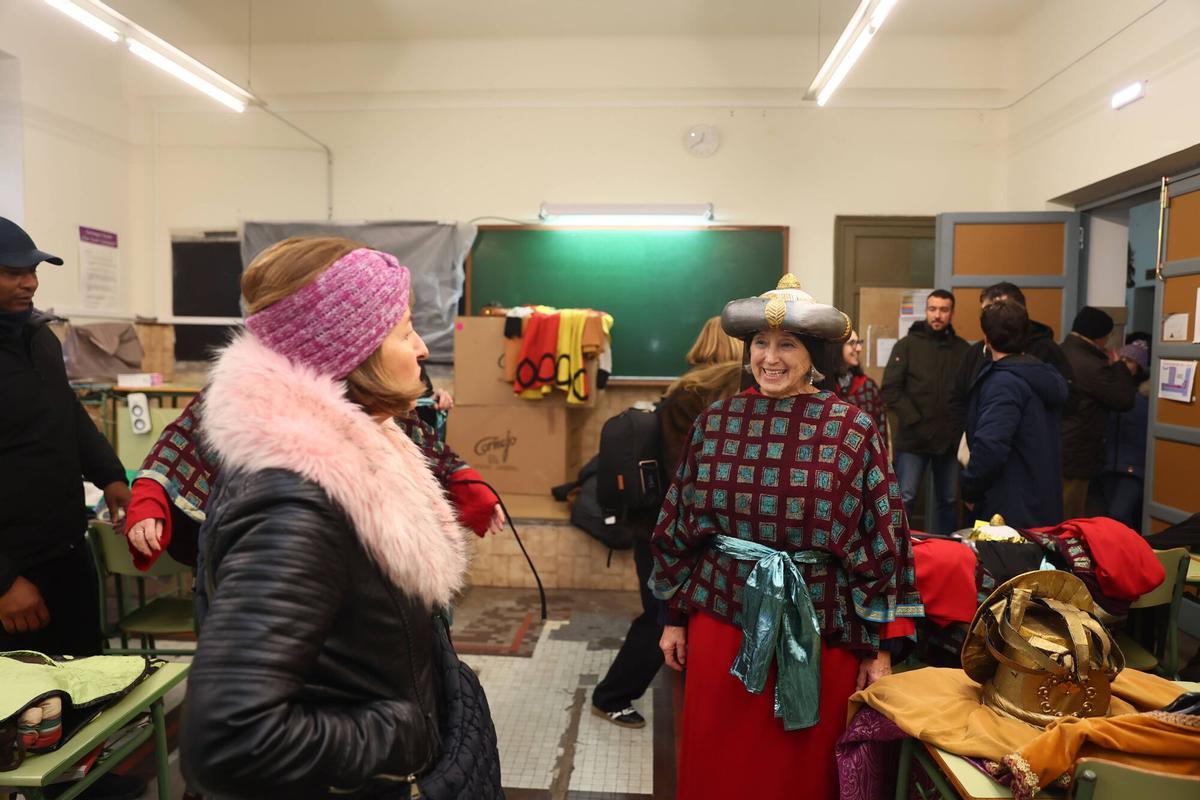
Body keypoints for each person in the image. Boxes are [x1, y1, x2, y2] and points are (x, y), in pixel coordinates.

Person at [180, 237, 499, 798]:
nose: (422, 348)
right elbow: (228, 739)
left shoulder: (354, 452)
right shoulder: (295, 505)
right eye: (404, 331)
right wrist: (400, 733)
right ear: (355, 352)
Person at [651, 275, 922, 800]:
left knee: (798, 776)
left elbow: (885, 536)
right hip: (722, 623)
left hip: (819, 630)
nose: (769, 358)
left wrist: (882, 648)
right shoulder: (716, 421)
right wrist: (673, 618)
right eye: (760, 343)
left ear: (814, 354)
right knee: (719, 768)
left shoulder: (852, 429)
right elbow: (679, 522)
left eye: (787, 345)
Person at [122, 391, 505, 571]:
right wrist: (151, 496)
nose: (421, 347)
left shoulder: (366, 388)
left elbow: (423, 442)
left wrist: (469, 486)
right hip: (265, 560)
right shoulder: (248, 386)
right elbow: (182, 438)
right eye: (405, 332)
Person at [591, 320, 742, 729]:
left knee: (668, 612)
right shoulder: (704, 394)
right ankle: (612, 695)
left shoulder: (686, 387)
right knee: (661, 614)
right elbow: (686, 470)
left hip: (658, 525)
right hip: (672, 530)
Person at [0, 217, 131, 656]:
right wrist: (4, 582)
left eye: (32, 271)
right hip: (13, 573)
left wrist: (109, 474)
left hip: (66, 547)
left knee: (88, 670)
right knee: (26, 691)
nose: (30, 283)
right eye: (13, 273)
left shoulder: (40, 338)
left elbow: (66, 413)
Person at [960, 301, 1069, 528]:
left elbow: (991, 446)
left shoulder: (1004, 382)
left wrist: (971, 489)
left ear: (987, 339)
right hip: (1041, 501)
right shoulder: (1040, 374)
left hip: (1007, 510)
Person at [880, 289, 968, 533]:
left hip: (948, 442)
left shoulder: (962, 350)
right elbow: (890, 389)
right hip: (913, 438)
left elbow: (967, 394)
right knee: (905, 498)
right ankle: (901, 547)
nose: (937, 315)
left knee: (949, 501)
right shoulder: (906, 345)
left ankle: (947, 548)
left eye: (943, 310)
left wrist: (958, 427)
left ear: (952, 313)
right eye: (932, 309)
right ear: (926, 311)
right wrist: (915, 419)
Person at [949, 282, 1072, 442]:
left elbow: (1066, 400)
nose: (989, 318)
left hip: (1025, 447)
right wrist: (966, 436)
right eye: (985, 311)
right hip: (980, 443)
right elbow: (958, 398)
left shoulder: (1045, 350)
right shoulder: (975, 352)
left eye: (998, 310)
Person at [1060, 306, 1137, 519]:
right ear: (1100, 336)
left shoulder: (1060, 352)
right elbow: (1124, 400)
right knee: (1070, 516)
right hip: (1077, 452)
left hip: (1057, 446)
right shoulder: (1093, 365)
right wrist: (1120, 367)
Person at [1098, 338, 1150, 530]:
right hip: (1108, 465)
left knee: (1119, 515)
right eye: (1121, 359)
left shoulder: (1146, 398)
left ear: (1139, 367)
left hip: (1133, 468)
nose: (1123, 364)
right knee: (1106, 516)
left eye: (1129, 361)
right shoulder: (1112, 392)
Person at [829, 328, 888, 447]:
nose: (859, 348)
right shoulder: (825, 386)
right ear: (837, 347)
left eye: (859, 342)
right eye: (852, 343)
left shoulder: (867, 386)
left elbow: (880, 426)